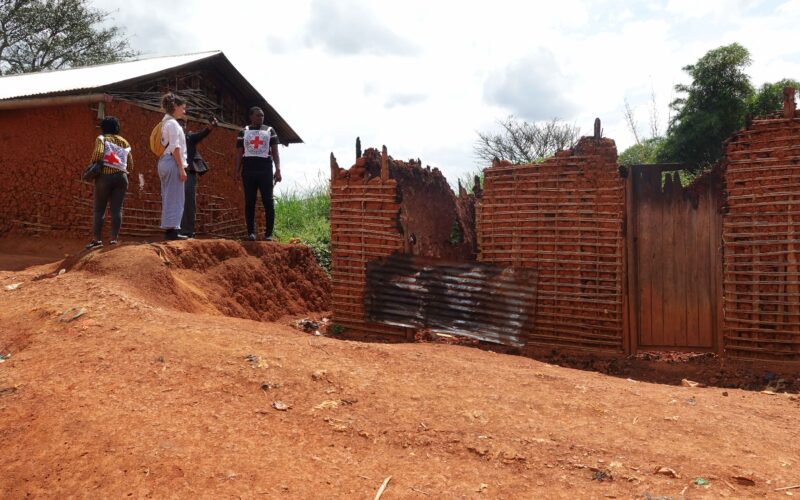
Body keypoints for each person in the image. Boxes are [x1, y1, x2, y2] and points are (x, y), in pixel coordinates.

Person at [85, 116, 133, 250]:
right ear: (117, 128)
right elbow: (131, 163)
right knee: (117, 209)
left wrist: (94, 165)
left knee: (99, 210)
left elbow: (97, 155)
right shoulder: (125, 142)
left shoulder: (102, 139)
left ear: (103, 128)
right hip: (122, 177)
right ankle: (113, 240)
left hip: (105, 177)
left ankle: (96, 240)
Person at [235, 106, 281, 241]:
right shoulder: (243, 132)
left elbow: (275, 152)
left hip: (265, 169)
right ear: (251, 117)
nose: (261, 118)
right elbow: (239, 153)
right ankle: (251, 233)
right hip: (248, 169)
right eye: (258, 115)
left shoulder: (269, 130)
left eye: (262, 116)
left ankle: (268, 234)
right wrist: (237, 170)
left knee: (268, 201)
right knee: (250, 201)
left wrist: (278, 169)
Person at [180, 115, 218, 238]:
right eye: (179, 122)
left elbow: (202, 134)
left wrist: (210, 126)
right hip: (174, 174)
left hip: (188, 174)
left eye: (183, 123)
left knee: (189, 202)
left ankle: (187, 231)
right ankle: (175, 230)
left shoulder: (189, 137)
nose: (181, 125)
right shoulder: (170, 138)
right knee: (176, 201)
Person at [158, 93, 189, 240]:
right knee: (175, 197)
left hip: (165, 161)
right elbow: (175, 147)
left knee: (168, 196)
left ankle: (170, 229)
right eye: (182, 108)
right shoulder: (173, 124)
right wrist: (181, 168)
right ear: (175, 107)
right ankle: (172, 232)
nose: (184, 111)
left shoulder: (166, 122)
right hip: (173, 162)